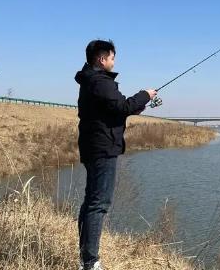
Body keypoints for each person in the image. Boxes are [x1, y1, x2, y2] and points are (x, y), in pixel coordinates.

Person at [74, 40, 157, 270]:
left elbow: (113, 110)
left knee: (91, 202)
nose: (114, 61)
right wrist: (145, 95)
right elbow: (121, 107)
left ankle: (85, 257)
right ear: (102, 59)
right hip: (103, 149)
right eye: (112, 58)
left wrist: (132, 107)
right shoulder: (100, 81)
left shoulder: (91, 80)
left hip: (95, 146)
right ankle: (90, 262)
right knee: (98, 204)